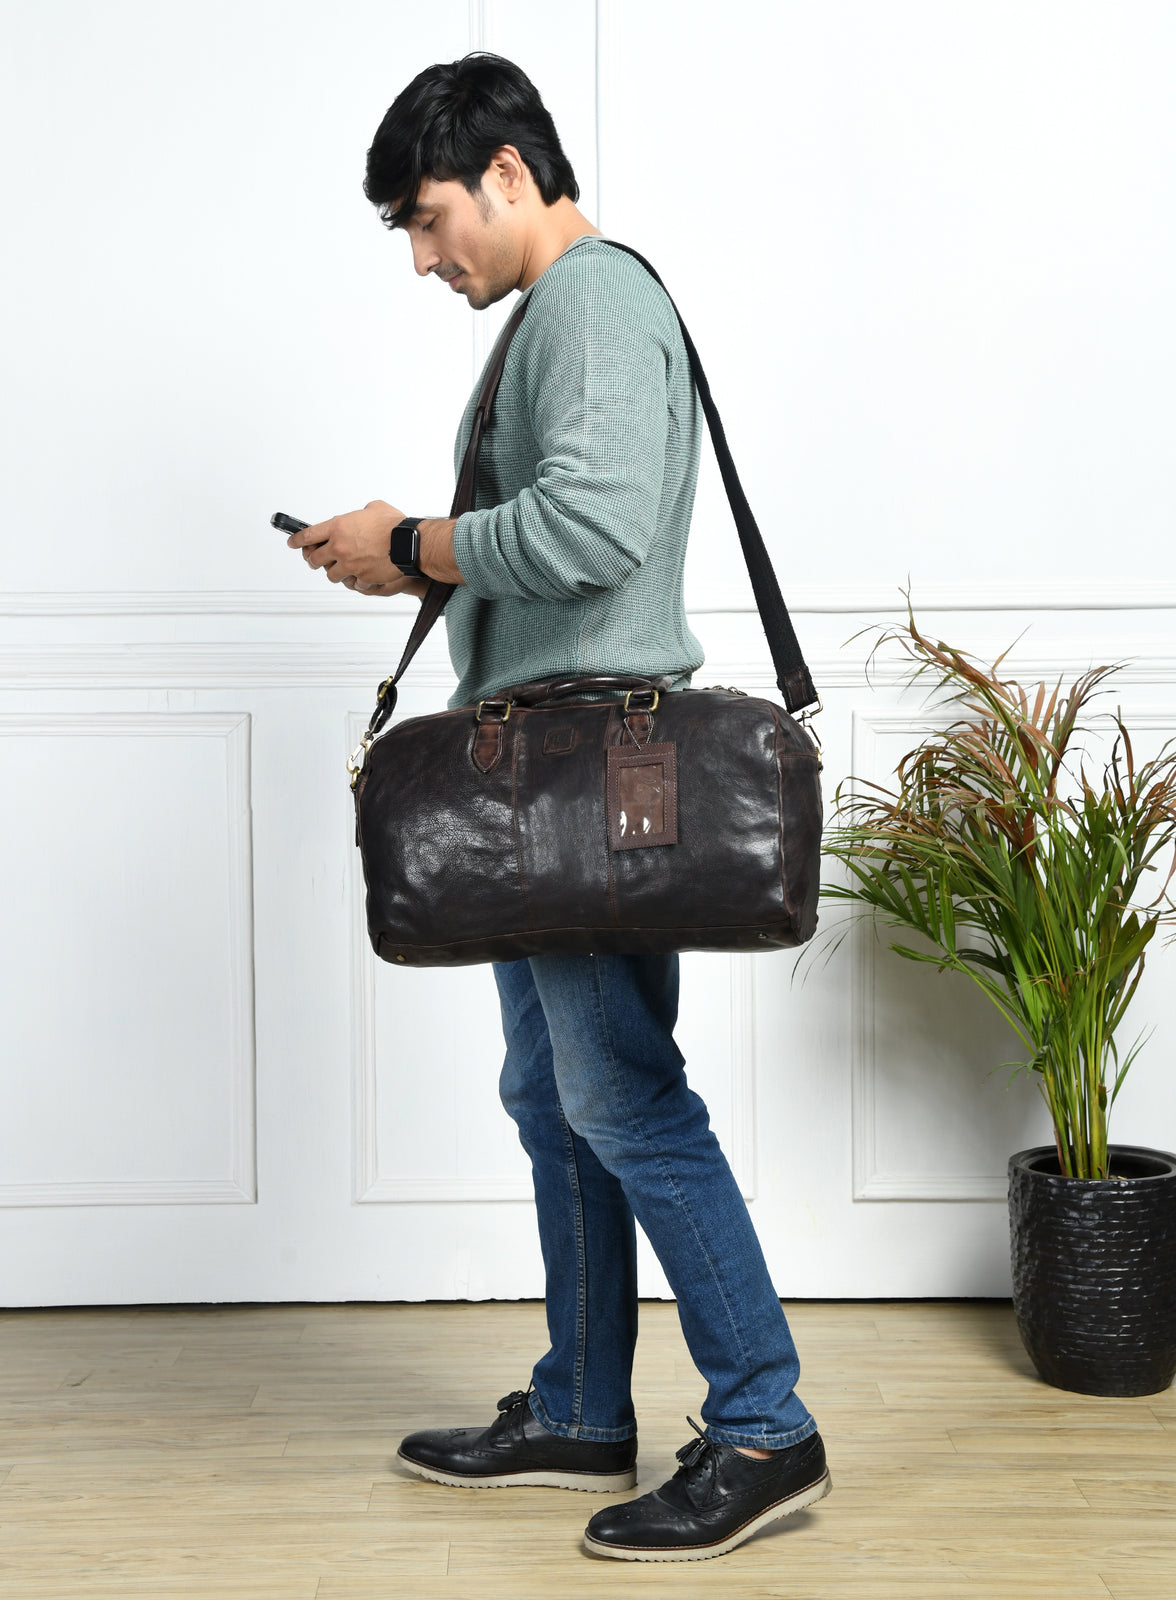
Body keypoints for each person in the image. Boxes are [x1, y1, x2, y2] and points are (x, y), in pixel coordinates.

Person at [285, 50, 831, 1563]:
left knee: (620, 1097)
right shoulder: (562, 309)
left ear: (509, 173)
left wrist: (418, 538)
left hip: (589, 772)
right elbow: (560, 531)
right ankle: (584, 1400)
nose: (422, 256)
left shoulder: (589, 299)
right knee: (555, 1095)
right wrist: (413, 558)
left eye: (428, 215)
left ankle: (766, 1425)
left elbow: (591, 525)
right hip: (554, 769)